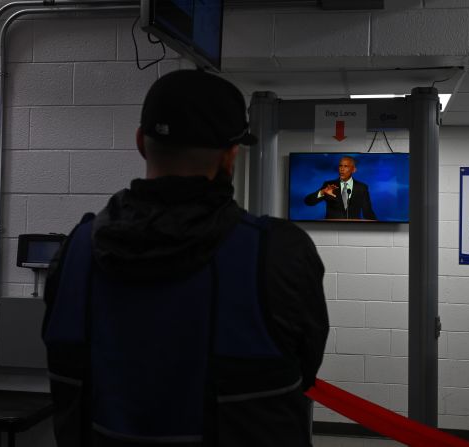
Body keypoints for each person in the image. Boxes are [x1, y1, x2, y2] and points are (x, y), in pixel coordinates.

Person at [41, 69, 329, 447]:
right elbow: (304, 370)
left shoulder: (74, 253)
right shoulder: (279, 252)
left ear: (141, 143)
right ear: (230, 157)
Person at [303, 156, 376, 220]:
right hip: (332, 229)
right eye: (340, 166)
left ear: (354, 170)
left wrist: (376, 228)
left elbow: (368, 213)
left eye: (346, 166)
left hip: (354, 230)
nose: (342, 169)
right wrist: (322, 192)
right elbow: (308, 201)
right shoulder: (329, 185)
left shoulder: (362, 187)